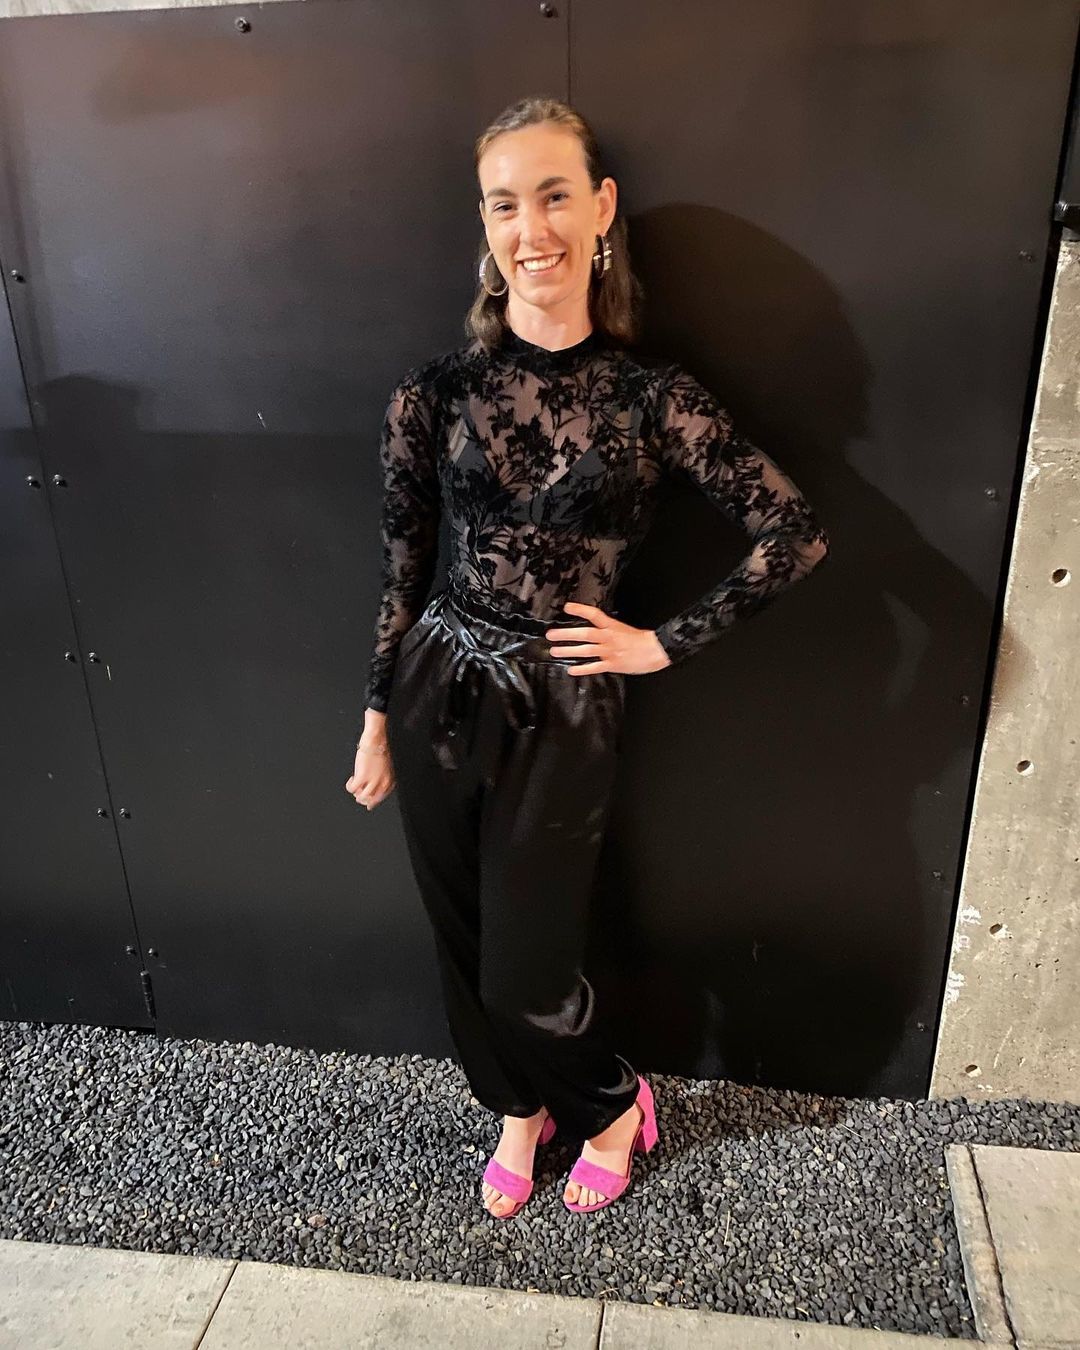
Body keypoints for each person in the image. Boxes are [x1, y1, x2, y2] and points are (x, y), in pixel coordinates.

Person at [345, 96, 830, 1218]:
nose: (534, 229)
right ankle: (519, 1109)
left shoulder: (655, 398)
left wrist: (661, 645)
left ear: (601, 208)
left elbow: (795, 533)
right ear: (486, 223)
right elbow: (402, 567)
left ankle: (611, 1104)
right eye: (506, 204)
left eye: (555, 195)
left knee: (527, 964)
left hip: (564, 707)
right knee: (461, 940)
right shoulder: (433, 392)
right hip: (435, 687)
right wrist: (375, 714)